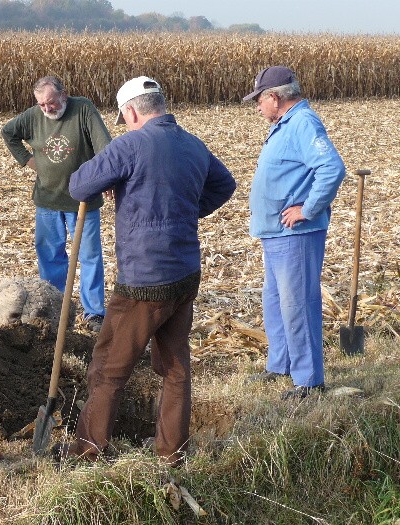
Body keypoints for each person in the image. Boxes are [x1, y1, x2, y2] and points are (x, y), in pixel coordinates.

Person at [63, 76, 236, 465]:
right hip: (186, 273)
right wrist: (187, 210)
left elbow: (78, 186)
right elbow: (225, 185)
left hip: (144, 279)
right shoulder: (192, 143)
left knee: (108, 368)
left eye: (124, 118)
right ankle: (172, 454)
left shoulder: (131, 144)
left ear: (131, 111)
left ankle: (88, 452)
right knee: (175, 368)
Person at [242, 66, 345, 400]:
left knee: (297, 304)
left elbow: (331, 168)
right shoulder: (285, 123)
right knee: (275, 302)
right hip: (275, 232)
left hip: (296, 234)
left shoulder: (303, 122)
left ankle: (309, 380)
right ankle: (281, 365)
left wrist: (308, 208)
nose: (257, 107)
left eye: (259, 100)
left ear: (275, 97)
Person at [1, 76, 111, 332]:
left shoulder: (83, 109)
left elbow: (104, 147)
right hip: (48, 200)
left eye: (51, 102)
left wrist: (105, 179)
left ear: (64, 95)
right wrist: (28, 160)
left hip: (83, 199)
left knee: (89, 256)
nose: (47, 109)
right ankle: (55, 308)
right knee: (50, 257)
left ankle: (94, 313)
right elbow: (8, 133)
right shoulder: (32, 116)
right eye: (42, 105)